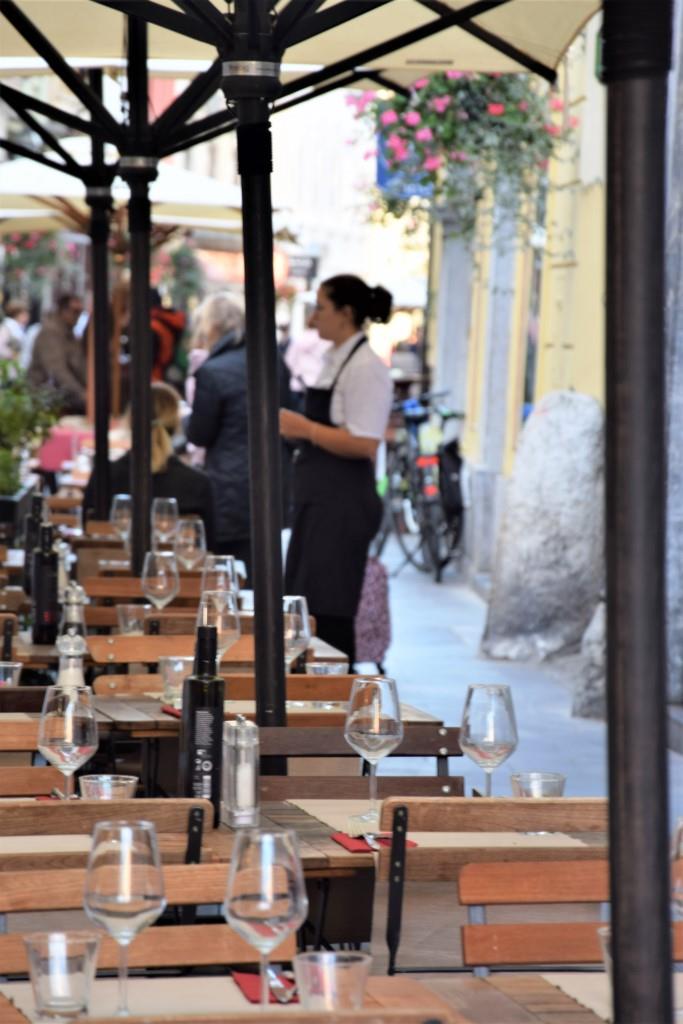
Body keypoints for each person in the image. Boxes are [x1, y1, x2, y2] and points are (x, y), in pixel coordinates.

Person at [279, 274, 393, 666]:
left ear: (346, 313)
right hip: (320, 499)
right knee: (305, 602)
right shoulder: (337, 358)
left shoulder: (367, 368)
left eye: (321, 308)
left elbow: (364, 442)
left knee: (329, 608)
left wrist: (303, 428)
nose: (313, 319)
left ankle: (334, 699)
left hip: (343, 505)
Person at [185, 292, 293, 580]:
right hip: (271, 482)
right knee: (263, 572)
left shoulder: (212, 371)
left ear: (212, 328)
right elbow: (291, 416)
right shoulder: (273, 363)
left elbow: (200, 434)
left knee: (226, 576)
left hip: (226, 488)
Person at [83, 382, 215, 547]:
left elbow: (87, 533)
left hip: (108, 571)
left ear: (130, 422)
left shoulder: (105, 477)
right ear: (176, 424)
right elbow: (208, 546)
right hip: (176, 571)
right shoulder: (197, 484)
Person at [27, 293, 87, 414]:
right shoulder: (50, 333)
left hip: (61, 397)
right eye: (75, 311)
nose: (78, 316)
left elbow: (78, 365)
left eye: (80, 312)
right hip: (47, 399)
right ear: (62, 311)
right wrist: (82, 394)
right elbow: (57, 370)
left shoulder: (69, 334)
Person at [0, 299, 30, 363]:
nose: (27, 317)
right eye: (24, 314)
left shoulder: (19, 329)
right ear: (16, 314)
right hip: (6, 366)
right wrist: (12, 354)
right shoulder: (7, 327)